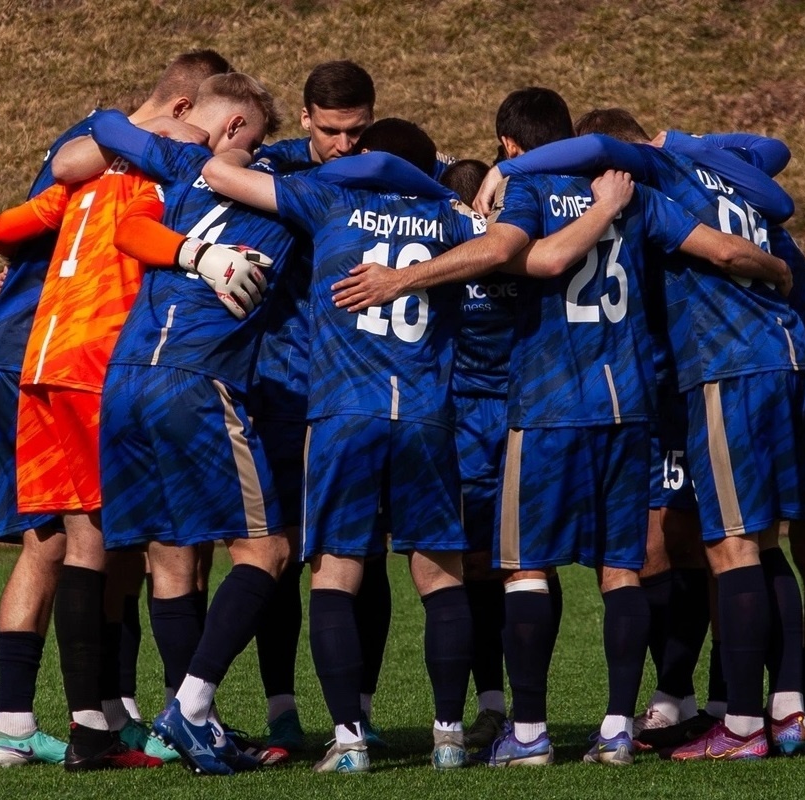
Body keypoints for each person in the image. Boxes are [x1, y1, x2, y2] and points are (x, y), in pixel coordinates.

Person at [329, 87, 795, 767]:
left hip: (548, 405)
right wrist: (777, 268)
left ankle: (528, 733)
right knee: (620, 570)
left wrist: (405, 276)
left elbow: (530, 258)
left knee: (525, 569)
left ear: (510, 145)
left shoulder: (530, 191)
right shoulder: (633, 193)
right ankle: (616, 728)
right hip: (627, 402)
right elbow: (722, 249)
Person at [477, 125, 805, 760]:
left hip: (700, 371)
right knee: (757, 542)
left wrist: (507, 172)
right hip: (766, 364)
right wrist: (777, 263)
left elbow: (541, 254)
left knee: (724, 545)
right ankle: (776, 711)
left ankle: (736, 725)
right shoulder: (709, 177)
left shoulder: (634, 183)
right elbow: (771, 168)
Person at [200, 118, 487, 773]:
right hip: (425, 413)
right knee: (440, 574)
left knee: (336, 572)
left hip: (342, 413)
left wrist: (288, 154)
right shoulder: (449, 216)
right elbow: (506, 244)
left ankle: (350, 741)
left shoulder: (329, 196)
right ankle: (448, 736)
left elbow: (219, 172)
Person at [0, 49, 229, 768]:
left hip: (39, 363)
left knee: (70, 544)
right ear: (185, 117)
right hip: (93, 365)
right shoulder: (158, 177)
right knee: (113, 545)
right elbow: (134, 232)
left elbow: (9, 224)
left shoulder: (84, 170)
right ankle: (107, 726)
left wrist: (17, 274)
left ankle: (82, 717)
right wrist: (198, 257)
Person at [53, 71, 294, 775]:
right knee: (266, 553)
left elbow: (107, 129)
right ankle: (188, 708)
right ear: (240, 128)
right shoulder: (288, 187)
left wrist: (161, 135)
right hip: (195, 380)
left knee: (171, 553)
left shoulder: (183, 170)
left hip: (125, 382)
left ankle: (191, 724)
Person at [668, 130, 805, 751]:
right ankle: (757, 707)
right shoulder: (711, 188)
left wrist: (683, 141)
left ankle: (804, 712)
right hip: (785, 368)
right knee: (753, 540)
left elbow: (775, 149)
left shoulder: (689, 186)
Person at [245, 60, 391, 751]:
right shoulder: (271, 168)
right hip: (280, 389)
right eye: (331, 130)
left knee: (362, 556)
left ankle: (359, 711)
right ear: (305, 118)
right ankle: (282, 711)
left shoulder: (390, 172)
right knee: (278, 555)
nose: (344, 145)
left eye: (356, 131)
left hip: (357, 393)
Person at [439, 157, 513, 750]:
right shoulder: (523, 247)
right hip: (518, 419)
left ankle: (481, 709)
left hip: (460, 422)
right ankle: (517, 711)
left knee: (460, 569)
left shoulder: (440, 256)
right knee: (523, 566)